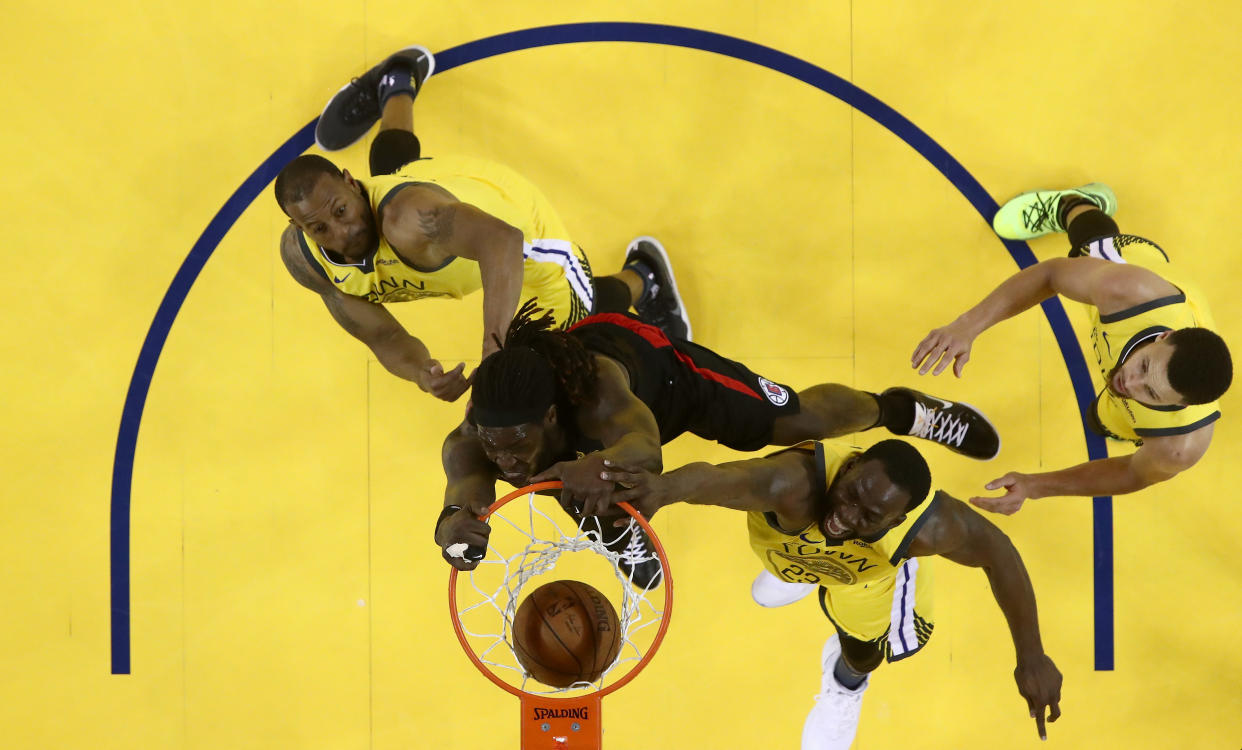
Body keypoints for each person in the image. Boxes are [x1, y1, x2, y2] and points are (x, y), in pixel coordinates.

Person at [435, 299, 1002, 585]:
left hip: (667, 381)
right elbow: (462, 489)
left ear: (554, 415)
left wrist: (599, 463)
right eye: (494, 446)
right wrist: (452, 525)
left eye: (515, 446)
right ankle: (614, 527)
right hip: (587, 441)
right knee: (586, 488)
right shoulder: (481, 437)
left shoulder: (602, 394)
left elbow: (644, 448)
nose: (503, 460)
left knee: (794, 421)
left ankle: (899, 409)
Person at [273, 46, 691, 401]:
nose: (341, 232)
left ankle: (645, 275)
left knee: (573, 315)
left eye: (340, 211)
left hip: (517, 223)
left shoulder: (411, 221)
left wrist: (495, 349)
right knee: (394, 168)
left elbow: (502, 242)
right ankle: (396, 80)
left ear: (349, 183)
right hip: (444, 190)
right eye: (320, 227)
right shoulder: (305, 259)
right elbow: (381, 336)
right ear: (299, 229)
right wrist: (421, 371)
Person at [595, 439, 1062, 748]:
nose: (847, 513)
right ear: (852, 465)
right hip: (790, 546)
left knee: (874, 649)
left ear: (896, 522)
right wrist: (664, 488)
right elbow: (718, 478)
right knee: (806, 548)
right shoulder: (790, 484)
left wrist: (1031, 654)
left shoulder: (925, 529)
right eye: (852, 491)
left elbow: (999, 553)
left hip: (865, 576)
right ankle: (805, 572)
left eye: (870, 514)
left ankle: (844, 686)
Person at [912, 183, 1232, 514]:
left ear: (1179, 405)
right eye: (1144, 367)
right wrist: (968, 326)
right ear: (1164, 337)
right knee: (1088, 247)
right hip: (1141, 272)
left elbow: (1130, 473)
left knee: (1101, 421)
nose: (1130, 383)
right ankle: (1074, 203)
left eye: (1150, 392)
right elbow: (1050, 275)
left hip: (1139, 408)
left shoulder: (1178, 446)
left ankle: (1124, 412)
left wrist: (1036, 486)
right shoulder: (1128, 290)